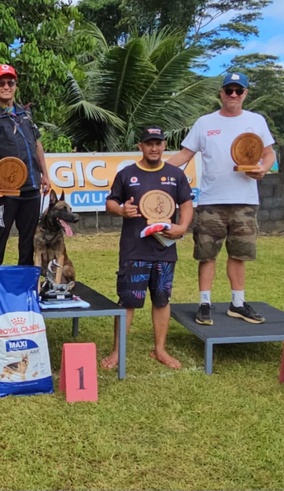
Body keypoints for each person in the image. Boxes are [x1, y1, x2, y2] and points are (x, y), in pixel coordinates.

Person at [166, 72, 276, 326]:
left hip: (245, 200)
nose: (234, 95)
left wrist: (264, 168)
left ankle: (237, 303)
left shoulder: (256, 121)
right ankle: (205, 303)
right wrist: (157, 174)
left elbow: (269, 154)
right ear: (221, 93)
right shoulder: (205, 123)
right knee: (207, 254)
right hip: (211, 202)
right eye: (229, 90)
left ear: (246, 94)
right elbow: (184, 154)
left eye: (239, 90)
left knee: (239, 254)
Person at [100, 126, 193, 371]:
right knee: (128, 301)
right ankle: (117, 352)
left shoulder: (175, 174)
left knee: (162, 300)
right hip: (134, 250)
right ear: (140, 146)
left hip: (165, 250)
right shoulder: (127, 174)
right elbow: (111, 201)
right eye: (149, 143)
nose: (154, 148)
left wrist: (181, 227)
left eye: (158, 143)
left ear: (164, 146)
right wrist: (120, 210)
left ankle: (160, 349)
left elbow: (186, 203)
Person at [0, 63, 51, 288]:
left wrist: (45, 174)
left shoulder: (24, 113)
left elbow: (37, 144)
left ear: (15, 85)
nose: (6, 86)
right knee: (0, 234)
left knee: (28, 238)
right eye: (1, 82)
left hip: (31, 187)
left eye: (10, 82)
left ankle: (26, 285)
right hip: (5, 188)